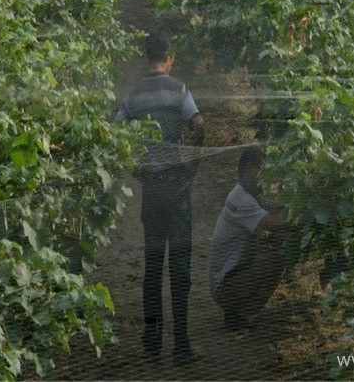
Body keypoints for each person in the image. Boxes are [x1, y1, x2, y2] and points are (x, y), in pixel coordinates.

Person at [115, 26, 205, 365]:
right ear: (168, 59)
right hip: (178, 189)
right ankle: (181, 346)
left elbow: (114, 131)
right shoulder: (179, 89)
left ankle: (151, 344)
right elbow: (199, 124)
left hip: (152, 189)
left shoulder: (135, 95)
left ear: (147, 57)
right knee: (180, 269)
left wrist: (133, 166)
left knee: (153, 268)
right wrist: (192, 165)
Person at [209, 147, 296, 331]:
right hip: (224, 286)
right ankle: (240, 313)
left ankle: (236, 310)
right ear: (249, 170)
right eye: (263, 171)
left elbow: (276, 208)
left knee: (278, 243)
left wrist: (296, 202)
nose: (267, 178)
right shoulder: (241, 199)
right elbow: (272, 222)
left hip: (229, 276)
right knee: (277, 258)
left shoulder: (249, 195)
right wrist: (299, 217)